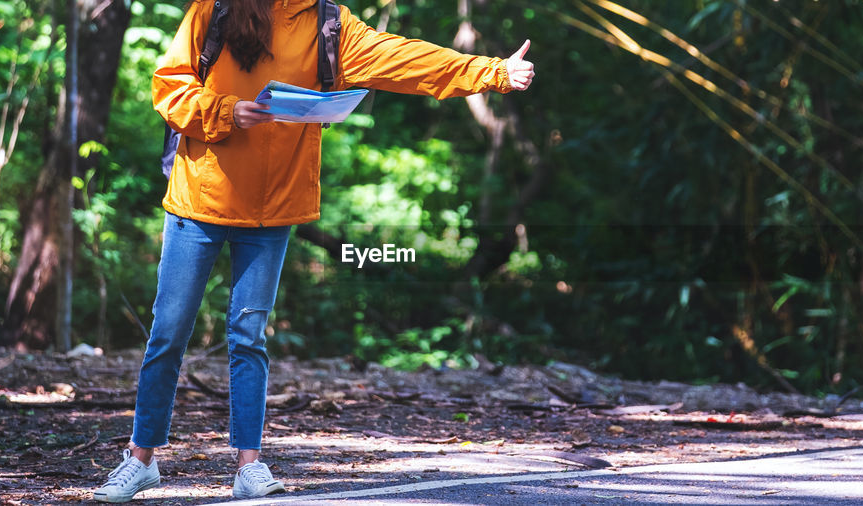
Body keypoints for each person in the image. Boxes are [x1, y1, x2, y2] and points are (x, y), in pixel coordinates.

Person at [92, 0, 534, 502]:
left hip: (274, 209)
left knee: (248, 336)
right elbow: (169, 85)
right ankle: (141, 458)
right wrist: (225, 110)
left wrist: (493, 71)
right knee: (168, 335)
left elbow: (404, 59)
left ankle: (248, 467)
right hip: (199, 200)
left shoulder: (328, 23)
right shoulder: (214, 9)